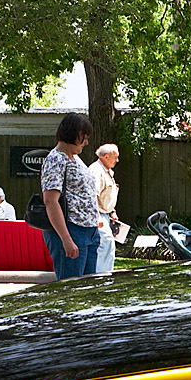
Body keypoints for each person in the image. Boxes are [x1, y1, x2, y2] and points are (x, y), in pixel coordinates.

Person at [39, 113, 109, 279]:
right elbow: (50, 201)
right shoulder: (56, 159)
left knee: (86, 291)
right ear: (71, 133)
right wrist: (66, 239)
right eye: (83, 137)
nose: (86, 142)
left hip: (89, 233)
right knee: (71, 291)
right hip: (72, 231)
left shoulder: (76, 159)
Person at [88, 143, 121, 273]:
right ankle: (101, 276)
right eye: (115, 157)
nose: (117, 160)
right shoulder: (96, 170)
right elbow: (92, 196)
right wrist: (97, 217)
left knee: (108, 246)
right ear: (106, 156)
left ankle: (105, 274)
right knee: (105, 245)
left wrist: (112, 211)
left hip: (106, 215)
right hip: (99, 215)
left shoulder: (106, 171)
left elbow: (106, 195)